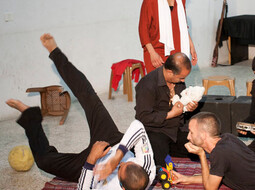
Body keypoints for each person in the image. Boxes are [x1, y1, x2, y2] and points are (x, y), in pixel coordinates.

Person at [6, 33, 156, 190]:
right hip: (112, 139)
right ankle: (55, 52)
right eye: (127, 162)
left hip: (92, 164)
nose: (121, 163)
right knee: (88, 95)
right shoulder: (148, 171)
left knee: (44, 161)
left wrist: (91, 160)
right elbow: (138, 127)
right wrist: (117, 156)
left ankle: (30, 117)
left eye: (121, 167)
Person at [135, 52, 198, 167]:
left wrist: (188, 107)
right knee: (163, 166)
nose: (183, 81)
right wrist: (170, 114)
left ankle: (169, 149)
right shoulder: (147, 84)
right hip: (155, 130)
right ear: (169, 72)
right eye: (181, 77)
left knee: (200, 145)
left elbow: (180, 103)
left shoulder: (177, 81)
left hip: (175, 128)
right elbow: (143, 117)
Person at [138, 0, 197, 73]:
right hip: (156, 51)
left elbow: (183, 25)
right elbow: (143, 29)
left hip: (178, 49)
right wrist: (152, 53)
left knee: (177, 86)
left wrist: (191, 45)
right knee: (159, 86)